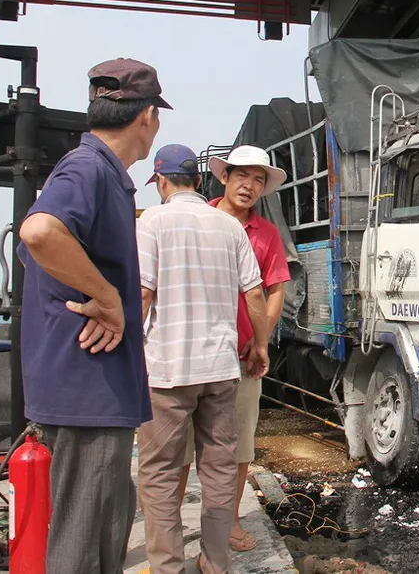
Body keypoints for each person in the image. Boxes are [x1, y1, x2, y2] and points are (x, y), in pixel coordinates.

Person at [17, 58, 169, 574]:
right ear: (148, 116)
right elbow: (39, 234)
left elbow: (39, 251)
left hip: (90, 388)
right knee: (82, 539)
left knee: (105, 525)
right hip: (87, 388)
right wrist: (106, 298)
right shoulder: (89, 168)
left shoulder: (100, 173)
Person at [137, 144, 272, 574]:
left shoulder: (151, 221)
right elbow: (255, 294)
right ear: (200, 181)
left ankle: (167, 567)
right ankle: (215, 564)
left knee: (160, 473)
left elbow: (143, 293)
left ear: (161, 181)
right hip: (220, 370)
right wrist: (261, 344)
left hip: (168, 371)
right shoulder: (229, 227)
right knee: (218, 469)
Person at [176, 145, 290, 552]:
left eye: (258, 179)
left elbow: (275, 290)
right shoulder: (196, 221)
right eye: (242, 175)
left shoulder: (267, 234)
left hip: (241, 358)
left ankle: (228, 520)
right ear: (223, 177)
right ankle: (171, 525)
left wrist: (260, 339)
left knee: (239, 443)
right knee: (179, 446)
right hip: (190, 353)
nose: (249, 186)